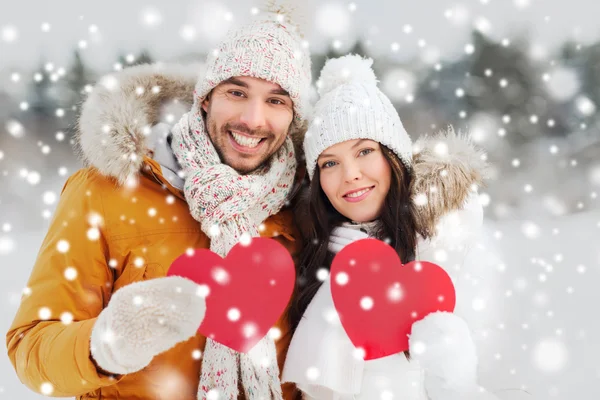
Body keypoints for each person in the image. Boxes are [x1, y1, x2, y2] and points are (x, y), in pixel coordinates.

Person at [6, 9, 312, 400]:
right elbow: (31, 347)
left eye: (276, 100)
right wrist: (105, 346)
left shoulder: (305, 200)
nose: (253, 119)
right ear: (205, 99)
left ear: (293, 116)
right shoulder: (104, 192)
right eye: (236, 92)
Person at [282, 55, 497, 400]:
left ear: (393, 156)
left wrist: (455, 382)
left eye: (364, 151)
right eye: (330, 163)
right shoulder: (311, 257)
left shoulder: (445, 248)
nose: (350, 174)